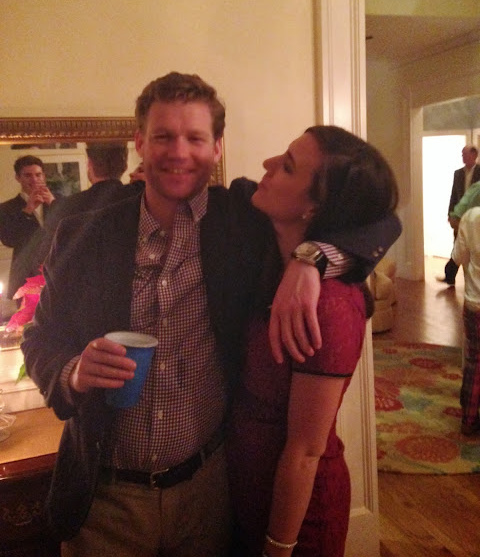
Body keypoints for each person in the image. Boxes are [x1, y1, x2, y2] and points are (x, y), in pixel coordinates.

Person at [22, 73, 401, 557]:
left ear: (217, 146)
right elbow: (40, 338)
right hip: (104, 500)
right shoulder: (82, 232)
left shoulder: (245, 220)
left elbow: (375, 216)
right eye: (163, 136)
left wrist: (313, 259)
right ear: (139, 142)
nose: (178, 152)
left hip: (210, 495)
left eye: (195, 138)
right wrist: (73, 372)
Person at [227, 125, 399, 557]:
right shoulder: (258, 236)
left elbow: (305, 450)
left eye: (287, 166)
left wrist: (278, 548)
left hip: (297, 515)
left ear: (315, 207)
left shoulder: (331, 305)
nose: (267, 165)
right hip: (246, 492)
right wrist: (310, 257)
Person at [39, 142, 138, 259]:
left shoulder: (68, 207)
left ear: (89, 163)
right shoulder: (140, 198)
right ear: (125, 165)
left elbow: (50, 257)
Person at [0, 155, 59, 298]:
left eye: (38, 175)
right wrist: (27, 211)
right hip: (26, 277)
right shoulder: (6, 208)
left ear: (44, 176)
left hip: (58, 270)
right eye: (28, 175)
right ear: (18, 178)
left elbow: (73, 231)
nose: (34, 180)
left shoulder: (59, 201)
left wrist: (55, 204)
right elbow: (8, 240)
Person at [452, 207, 480, 436]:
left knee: (474, 361)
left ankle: (469, 419)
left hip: (475, 302)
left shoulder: (471, 217)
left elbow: (458, 257)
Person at [437, 145, 480, 286]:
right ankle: (450, 277)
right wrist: (450, 213)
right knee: (457, 244)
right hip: (460, 216)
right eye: (462, 154)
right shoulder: (458, 173)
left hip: (475, 217)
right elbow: (453, 195)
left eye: (465, 154)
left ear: (474, 155)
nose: (463, 157)